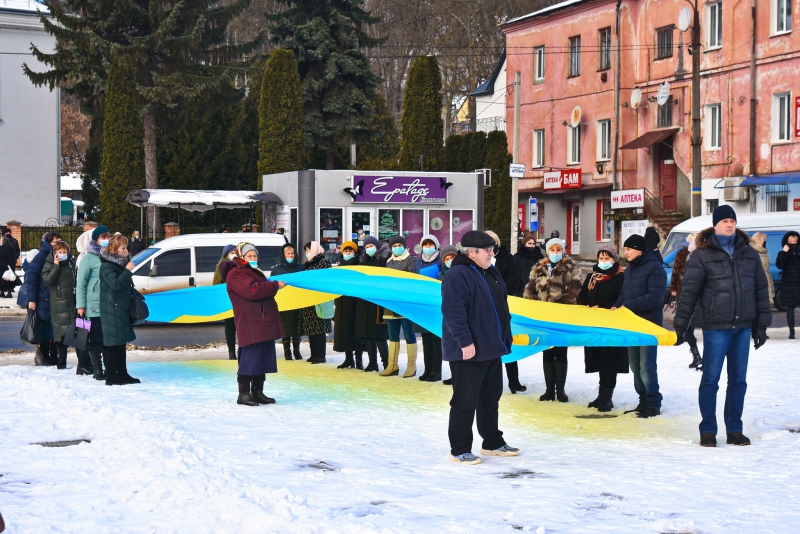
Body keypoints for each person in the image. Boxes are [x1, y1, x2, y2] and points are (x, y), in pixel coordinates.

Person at [673, 205, 771, 447]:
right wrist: (681, 325)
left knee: (738, 380)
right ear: (715, 225)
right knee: (710, 379)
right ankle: (708, 430)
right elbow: (689, 293)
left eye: (732, 220)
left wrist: (761, 326)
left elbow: (760, 291)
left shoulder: (749, 254)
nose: (729, 224)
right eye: (725, 220)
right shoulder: (701, 255)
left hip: (743, 327)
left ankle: (734, 430)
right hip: (716, 326)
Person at [442, 230, 519, 465]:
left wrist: (505, 335)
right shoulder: (458, 274)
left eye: (493, 248)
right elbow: (454, 313)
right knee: (465, 400)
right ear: (471, 252)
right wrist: (465, 342)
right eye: (487, 250)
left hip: (491, 347)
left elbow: (500, 307)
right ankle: (460, 448)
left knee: (490, 397)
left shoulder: (490, 271)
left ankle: (492, 442)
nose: (491, 253)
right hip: (470, 350)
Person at [220, 242, 287, 406]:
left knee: (262, 357)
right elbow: (253, 290)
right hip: (251, 321)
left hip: (261, 320)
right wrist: (274, 285)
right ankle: (243, 394)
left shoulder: (252, 271)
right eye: (249, 255)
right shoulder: (235, 273)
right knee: (250, 358)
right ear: (241, 256)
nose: (253, 258)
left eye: (255, 255)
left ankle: (257, 392)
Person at [612, 234, 667, 418]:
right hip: (631, 325)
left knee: (646, 366)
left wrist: (626, 306)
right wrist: (617, 305)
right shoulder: (630, 270)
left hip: (647, 324)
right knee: (635, 365)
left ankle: (653, 402)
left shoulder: (655, 269)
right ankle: (642, 400)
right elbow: (623, 294)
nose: (625, 252)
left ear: (639, 250)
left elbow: (654, 297)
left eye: (628, 249)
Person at [524, 238, 582, 402]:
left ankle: (560, 390)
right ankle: (549, 389)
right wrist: (533, 300)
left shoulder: (571, 269)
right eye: (552, 250)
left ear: (562, 251)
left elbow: (575, 290)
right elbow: (529, 289)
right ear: (547, 251)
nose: (555, 253)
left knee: (561, 352)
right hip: (543, 318)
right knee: (547, 352)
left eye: (558, 250)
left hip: (561, 317)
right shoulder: (539, 269)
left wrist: (558, 304)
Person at [576, 246, 628, 412]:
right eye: (601, 258)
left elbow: (621, 299)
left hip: (611, 326)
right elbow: (581, 296)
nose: (604, 262)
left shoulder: (620, 277)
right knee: (598, 360)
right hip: (594, 324)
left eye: (607, 258)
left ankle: (608, 397)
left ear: (614, 260)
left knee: (610, 361)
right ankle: (601, 395)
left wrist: (604, 306)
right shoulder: (592, 277)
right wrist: (587, 305)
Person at [484, 230, 527, 394]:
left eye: (492, 242)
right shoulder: (476, 260)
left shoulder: (507, 258)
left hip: (503, 304)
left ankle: (513, 381)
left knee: (506, 341)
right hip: (483, 307)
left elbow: (514, 279)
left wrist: (498, 291)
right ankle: (488, 379)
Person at [42, 242, 89, 373]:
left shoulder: (72, 263)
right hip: (59, 304)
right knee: (61, 336)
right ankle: (61, 362)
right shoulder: (49, 264)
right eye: (60, 252)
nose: (63, 255)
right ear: (54, 253)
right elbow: (47, 281)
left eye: (65, 252)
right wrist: (56, 266)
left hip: (74, 303)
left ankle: (82, 364)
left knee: (80, 333)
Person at [99, 234, 139, 385]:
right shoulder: (107, 266)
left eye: (126, 247)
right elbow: (115, 284)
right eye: (122, 248)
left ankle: (122, 373)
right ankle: (111, 376)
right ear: (114, 250)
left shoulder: (119, 264)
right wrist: (128, 271)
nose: (126, 250)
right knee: (113, 344)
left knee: (121, 342)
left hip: (119, 307)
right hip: (112, 308)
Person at [382, 236, 419, 377]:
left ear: (404, 246)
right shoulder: (388, 262)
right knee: (392, 335)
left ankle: (411, 366)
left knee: (409, 334)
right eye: (394, 245)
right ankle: (392, 365)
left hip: (405, 303)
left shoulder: (411, 260)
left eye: (399, 245)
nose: (397, 247)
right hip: (391, 303)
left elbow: (411, 279)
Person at [77, 225, 110, 380]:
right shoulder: (88, 258)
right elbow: (81, 283)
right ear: (96, 239)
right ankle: (98, 369)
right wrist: (81, 306)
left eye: (108, 237)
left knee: (106, 338)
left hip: (108, 304)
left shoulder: (110, 255)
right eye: (103, 237)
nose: (106, 240)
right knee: (94, 338)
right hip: (93, 305)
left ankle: (108, 367)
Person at [26, 232, 62, 367]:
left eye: (59, 241)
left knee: (56, 329)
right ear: (48, 243)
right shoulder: (41, 257)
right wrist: (32, 299)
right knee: (45, 329)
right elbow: (32, 279)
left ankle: (54, 355)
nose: (57, 244)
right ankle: (45, 357)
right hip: (44, 298)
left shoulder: (63, 255)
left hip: (58, 297)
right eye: (54, 242)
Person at [356, 236, 390, 372]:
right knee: (368, 334)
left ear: (377, 246)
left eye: (371, 246)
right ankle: (372, 363)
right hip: (365, 301)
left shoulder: (383, 260)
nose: (369, 248)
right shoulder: (362, 261)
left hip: (378, 302)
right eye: (367, 246)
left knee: (379, 334)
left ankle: (386, 363)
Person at [669, 234, 703, 368]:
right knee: (689, 327)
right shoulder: (682, 253)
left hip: (695, 296)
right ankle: (696, 355)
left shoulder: (703, 255)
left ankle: (699, 357)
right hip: (684, 293)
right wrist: (673, 288)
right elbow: (675, 272)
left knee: (695, 327)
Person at [415, 234, 444, 381]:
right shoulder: (418, 262)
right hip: (423, 304)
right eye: (425, 245)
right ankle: (427, 370)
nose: (427, 248)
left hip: (436, 303)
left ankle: (436, 371)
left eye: (430, 244)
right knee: (425, 339)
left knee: (435, 339)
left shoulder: (440, 261)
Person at [270, 243, 304, 361]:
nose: (290, 255)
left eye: (292, 253)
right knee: (285, 326)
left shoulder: (301, 268)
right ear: (283, 255)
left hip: (297, 301)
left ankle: (296, 350)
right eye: (288, 253)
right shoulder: (276, 270)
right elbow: (272, 285)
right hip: (283, 302)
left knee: (297, 326)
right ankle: (287, 351)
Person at [300, 241, 332, 363]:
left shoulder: (323, 262)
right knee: (311, 329)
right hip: (309, 301)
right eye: (306, 251)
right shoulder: (308, 263)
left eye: (308, 250)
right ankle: (313, 354)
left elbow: (317, 279)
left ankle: (320, 355)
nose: (307, 253)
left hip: (319, 300)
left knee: (319, 330)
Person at [333, 241, 363, 369]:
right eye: (346, 251)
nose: (348, 253)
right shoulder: (339, 268)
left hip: (356, 304)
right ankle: (348, 359)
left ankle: (359, 360)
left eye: (351, 251)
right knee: (345, 332)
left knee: (357, 332)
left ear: (355, 252)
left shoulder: (361, 267)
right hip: (342, 304)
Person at [213, 244, 238, 360]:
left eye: (235, 252)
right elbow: (216, 284)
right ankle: (232, 351)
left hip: (240, 300)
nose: (234, 255)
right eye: (231, 253)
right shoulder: (221, 266)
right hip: (228, 300)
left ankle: (241, 349)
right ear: (226, 254)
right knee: (230, 327)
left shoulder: (240, 264)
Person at [776, 231, 800, 339]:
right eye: (791, 241)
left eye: (795, 241)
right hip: (789, 284)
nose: (793, 243)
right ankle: (791, 331)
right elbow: (779, 265)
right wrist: (784, 253)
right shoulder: (783, 253)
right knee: (790, 308)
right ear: (787, 242)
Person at [513, 231, 544, 298]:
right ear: (524, 244)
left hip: (537, 290)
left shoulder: (539, 257)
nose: (532, 245)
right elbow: (514, 274)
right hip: (521, 290)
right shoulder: (517, 257)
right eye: (529, 243)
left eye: (533, 244)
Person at [750, 232, 774, 307]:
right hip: (760, 283)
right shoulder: (755, 253)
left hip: (764, 281)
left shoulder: (761, 252)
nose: (765, 242)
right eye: (764, 240)